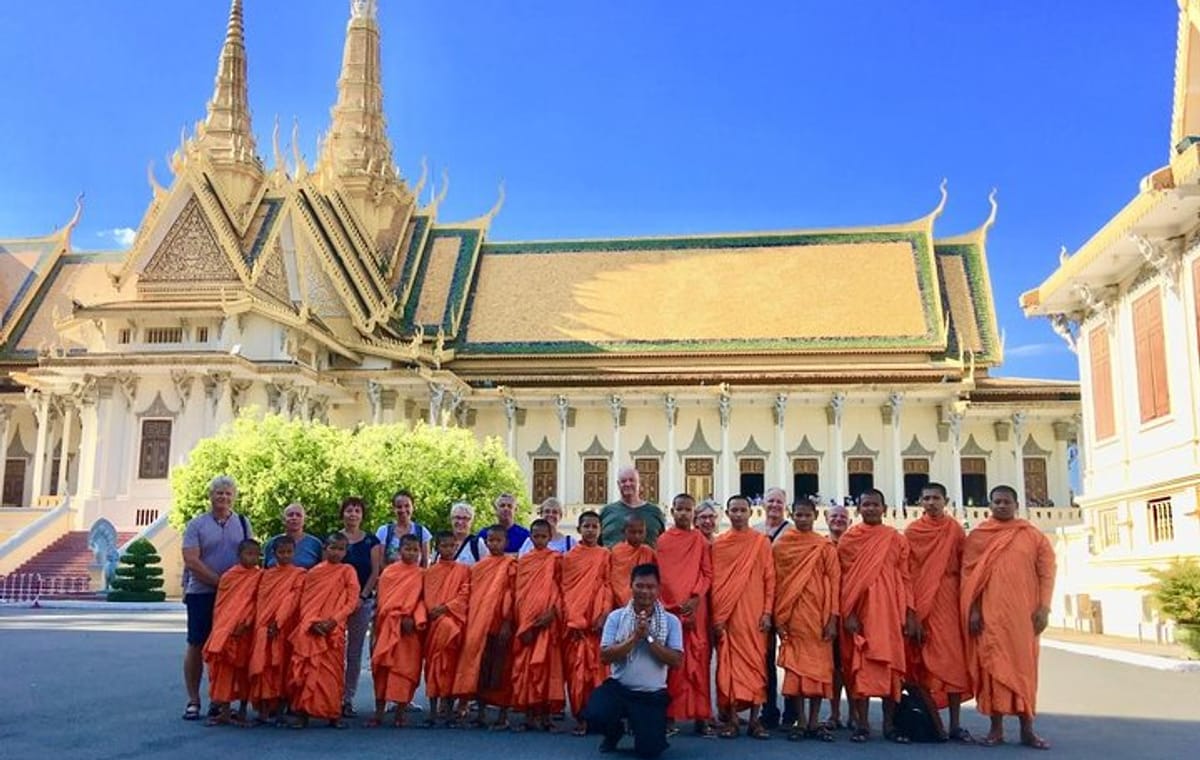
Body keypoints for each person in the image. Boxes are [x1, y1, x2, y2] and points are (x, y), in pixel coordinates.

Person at [962, 485, 1055, 750]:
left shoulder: (1033, 536)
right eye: (997, 502)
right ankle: (996, 729)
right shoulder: (979, 536)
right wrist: (975, 610)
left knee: (1024, 670)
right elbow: (971, 577)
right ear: (989, 505)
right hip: (990, 614)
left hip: (1023, 615)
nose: (1002, 505)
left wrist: (1044, 608)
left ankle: (1028, 729)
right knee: (992, 668)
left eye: (1006, 501)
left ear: (1016, 504)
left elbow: (1047, 573)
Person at [584, 563, 683, 758]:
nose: (645, 592)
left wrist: (649, 638)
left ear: (658, 589)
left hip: (651, 694)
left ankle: (643, 729)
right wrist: (634, 638)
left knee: (650, 750)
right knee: (595, 714)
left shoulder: (671, 621)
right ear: (631, 586)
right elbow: (605, 656)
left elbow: (676, 661)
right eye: (640, 586)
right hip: (620, 689)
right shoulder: (616, 617)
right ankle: (614, 732)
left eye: (650, 587)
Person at [838, 489, 914, 744]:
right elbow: (844, 580)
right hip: (859, 613)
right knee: (859, 668)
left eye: (875, 505)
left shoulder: (895, 538)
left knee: (890, 669)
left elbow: (905, 577)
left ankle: (889, 724)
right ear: (858, 509)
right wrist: (847, 613)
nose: (870, 509)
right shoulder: (850, 539)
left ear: (884, 508)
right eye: (865, 505)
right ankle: (862, 724)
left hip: (890, 613)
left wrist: (909, 613)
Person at [181, 474, 254, 721]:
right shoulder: (197, 525)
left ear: (234, 497)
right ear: (210, 496)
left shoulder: (243, 523)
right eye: (218, 493)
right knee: (197, 643)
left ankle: (219, 699)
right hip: (202, 592)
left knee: (224, 646)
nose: (223, 497)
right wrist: (219, 582)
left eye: (228, 493)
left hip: (234, 596)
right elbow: (191, 559)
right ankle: (193, 700)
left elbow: (250, 555)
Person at [905, 482, 973, 743]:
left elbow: (966, 565)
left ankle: (955, 723)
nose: (931, 502)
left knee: (952, 662)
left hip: (947, 597)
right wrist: (911, 612)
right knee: (921, 663)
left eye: (936, 498)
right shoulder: (913, 531)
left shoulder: (954, 529)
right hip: (921, 598)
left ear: (945, 500)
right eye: (926, 498)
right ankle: (934, 723)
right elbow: (907, 571)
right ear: (920, 502)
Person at [773, 498, 840, 742]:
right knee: (797, 672)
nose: (802, 519)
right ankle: (800, 720)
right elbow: (778, 582)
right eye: (798, 515)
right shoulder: (782, 546)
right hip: (794, 616)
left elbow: (834, 583)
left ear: (815, 516)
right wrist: (780, 617)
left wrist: (833, 618)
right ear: (792, 515)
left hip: (819, 616)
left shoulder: (824, 547)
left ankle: (814, 720)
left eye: (807, 515)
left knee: (819, 672)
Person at [711, 494, 775, 739]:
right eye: (734, 510)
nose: (738, 514)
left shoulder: (761, 542)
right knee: (728, 666)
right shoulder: (720, 544)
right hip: (728, 614)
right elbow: (716, 582)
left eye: (742, 510)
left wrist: (768, 611)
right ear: (727, 514)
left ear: (751, 513)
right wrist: (718, 616)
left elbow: (770, 579)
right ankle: (733, 719)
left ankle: (755, 720)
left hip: (755, 613)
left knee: (756, 666)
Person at [655, 493, 715, 737]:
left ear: (693, 514)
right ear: (672, 511)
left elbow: (707, 574)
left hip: (696, 609)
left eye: (688, 510)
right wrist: (666, 603)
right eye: (679, 509)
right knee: (671, 663)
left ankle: (701, 717)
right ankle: (669, 717)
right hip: (670, 610)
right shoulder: (662, 541)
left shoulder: (700, 541)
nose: (683, 513)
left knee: (698, 662)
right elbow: (658, 576)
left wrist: (695, 597)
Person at [289, 532, 360, 729]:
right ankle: (302, 713)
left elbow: (351, 601)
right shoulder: (313, 573)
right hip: (311, 627)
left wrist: (333, 621)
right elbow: (305, 601)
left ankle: (332, 714)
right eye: (332, 548)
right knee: (307, 669)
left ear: (346, 552)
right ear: (324, 549)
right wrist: (312, 622)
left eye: (340, 549)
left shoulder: (348, 571)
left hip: (334, 629)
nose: (336, 552)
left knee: (333, 672)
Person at [453, 525, 516, 730]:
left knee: (501, 670)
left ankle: (503, 714)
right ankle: (480, 713)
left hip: (501, 626)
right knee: (480, 669)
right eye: (490, 540)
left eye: (498, 540)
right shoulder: (478, 568)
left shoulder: (511, 564)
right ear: (486, 542)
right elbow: (472, 596)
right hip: (479, 625)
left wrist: (507, 622)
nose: (494, 544)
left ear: (506, 542)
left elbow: (512, 595)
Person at [561, 510, 613, 736]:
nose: (591, 530)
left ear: (600, 530)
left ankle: (597, 717)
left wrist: (603, 615)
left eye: (595, 526)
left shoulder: (605, 555)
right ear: (578, 529)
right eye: (587, 526)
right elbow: (565, 590)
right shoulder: (570, 557)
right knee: (577, 674)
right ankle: (581, 718)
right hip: (575, 624)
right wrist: (574, 619)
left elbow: (607, 585)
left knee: (599, 674)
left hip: (597, 624)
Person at [367, 534, 426, 728]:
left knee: (405, 669)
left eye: (415, 550)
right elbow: (383, 601)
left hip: (409, 629)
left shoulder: (422, 574)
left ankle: (401, 713)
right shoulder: (389, 573)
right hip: (387, 625)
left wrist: (412, 617)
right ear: (399, 550)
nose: (411, 553)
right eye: (407, 549)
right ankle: (379, 712)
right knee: (382, 668)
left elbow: (422, 601)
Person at [511, 518, 564, 732]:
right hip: (526, 621)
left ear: (550, 537)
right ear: (530, 537)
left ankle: (546, 716)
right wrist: (522, 622)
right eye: (536, 536)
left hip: (548, 620)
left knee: (546, 667)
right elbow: (518, 593)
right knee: (526, 668)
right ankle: (529, 716)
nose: (539, 539)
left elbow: (562, 588)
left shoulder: (556, 559)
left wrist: (553, 612)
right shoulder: (523, 561)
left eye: (543, 536)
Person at [248, 535, 307, 726]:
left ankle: (281, 710)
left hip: (286, 627)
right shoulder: (266, 575)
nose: (285, 556)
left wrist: (279, 622)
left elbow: (293, 600)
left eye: (289, 552)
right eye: (281, 552)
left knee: (282, 667)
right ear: (273, 554)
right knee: (264, 666)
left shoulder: (299, 574)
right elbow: (260, 601)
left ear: (294, 553)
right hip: (264, 627)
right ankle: (264, 711)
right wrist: (266, 623)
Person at [203, 538, 262, 726]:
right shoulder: (229, 576)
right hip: (227, 630)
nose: (252, 558)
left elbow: (259, 603)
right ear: (239, 555)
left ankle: (244, 711)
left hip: (248, 630)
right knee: (225, 670)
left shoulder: (260, 576)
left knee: (244, 670)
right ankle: (225, 711)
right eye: (248, 553)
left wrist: (246, 622)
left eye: (256, 554)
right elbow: (222, 605)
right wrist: (225, 626)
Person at [339, 496, 383, 717]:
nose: (353, 514)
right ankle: (330, 696)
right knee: (333, 652)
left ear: (362, 515)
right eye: (349, 510)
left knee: (354, 652)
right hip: (335, 604)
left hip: (362, 602)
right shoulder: (334, 539)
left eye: (357, 510)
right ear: (342, 514)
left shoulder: (371, 542)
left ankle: (347, 698)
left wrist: (361, 597)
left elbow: (376, 572)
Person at [424, 530, 472, 726]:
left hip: (454, 624)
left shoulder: (463, 570)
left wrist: (446, 608)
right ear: (437, 548)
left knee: (451, 668)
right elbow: (426, 595)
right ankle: (433, 711)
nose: (449, 549)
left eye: (452, 546)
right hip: (435, 625)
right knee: (433, 667)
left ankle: (450, 711)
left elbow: (465, 593)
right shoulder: (430, 571)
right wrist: (433, 611)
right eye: (444, 546)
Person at [754, 486, 793, 730]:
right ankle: (769, 709)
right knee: (766, 656)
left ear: (785, 505)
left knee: (791, 656)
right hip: (762, 601)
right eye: (771, 501)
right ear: (763, 503)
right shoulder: (755, 532)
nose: (775, 506)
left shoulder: (793, 532)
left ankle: (792, 710)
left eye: (779, 502)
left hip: (790, 599)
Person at [822, 501, 851, 730]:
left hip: (854, 612)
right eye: (834, 517)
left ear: (849, 520)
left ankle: (854, 714)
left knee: (853, 665)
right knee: (834, 666)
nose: (838, 520)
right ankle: (834, 713)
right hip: (828, 612)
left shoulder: (856, 546)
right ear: (825, 519)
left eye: (842, 517)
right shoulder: (820, 547)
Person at [600, 466, 667, 547]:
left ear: (639, 483)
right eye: (623, 481)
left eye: (632, 480)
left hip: (647, 559)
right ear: (618, 484)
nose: (628, 484)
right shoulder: (607, 512)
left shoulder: (655, 512)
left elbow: (664, 543)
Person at [609, 514, 656, 608]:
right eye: (632, 532)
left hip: (644, 600)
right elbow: (615, 580)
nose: (637, 536)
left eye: (641, 532)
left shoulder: (648, 552)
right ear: (624, 532)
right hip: (618, 602)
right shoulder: (616, 552)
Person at [378, 490, 433, 567]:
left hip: (414, 578)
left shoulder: (422, 532)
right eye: (399, 507)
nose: (403, 510)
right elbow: (380, 563)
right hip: (390, 577)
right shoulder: (383, 532)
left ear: (413, 507)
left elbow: (425, 564)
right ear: (393, 509)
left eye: (407, 506)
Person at [263, 503, 323, 570]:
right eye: (290, 515)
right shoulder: (272, 543)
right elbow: (265, 572)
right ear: (283, 519)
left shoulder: (315, 544)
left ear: (304, 520)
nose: (294, 518)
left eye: (298, 515)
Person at [448, 501, 485, 566]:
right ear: (451, 519)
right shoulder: (442, 542)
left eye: (465, 518)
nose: (460, 522)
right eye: (457, 517)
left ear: (471, 521)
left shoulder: (477, 544)